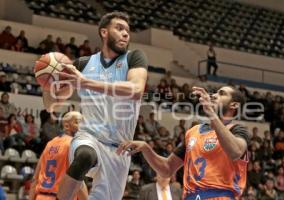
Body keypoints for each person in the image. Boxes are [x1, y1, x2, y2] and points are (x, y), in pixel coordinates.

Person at [41, 12, 148, 200]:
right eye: (119, 28)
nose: (125, 34)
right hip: (89, 137)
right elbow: (53, 105)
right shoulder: (83, 64)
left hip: (119, 149)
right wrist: (48, 83)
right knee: (84, 156)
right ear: (104, 32)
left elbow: (136, 89)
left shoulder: (134, 58)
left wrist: (86, 83)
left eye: (127, 31)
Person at [117, 86, 250, 199]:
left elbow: (235, 152)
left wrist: (211, 113)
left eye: (221, 94)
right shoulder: (193, 132)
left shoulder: (237, 130)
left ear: (234, 105)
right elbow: (167, 169)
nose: (214, 95)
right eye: (215, 93)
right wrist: (146, 148)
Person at [28, 111, 88, 200]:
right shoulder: (74, 145)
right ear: (66, 125)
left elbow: (34, 179)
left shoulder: (49, 144)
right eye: (78, 122)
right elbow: (77, 182)